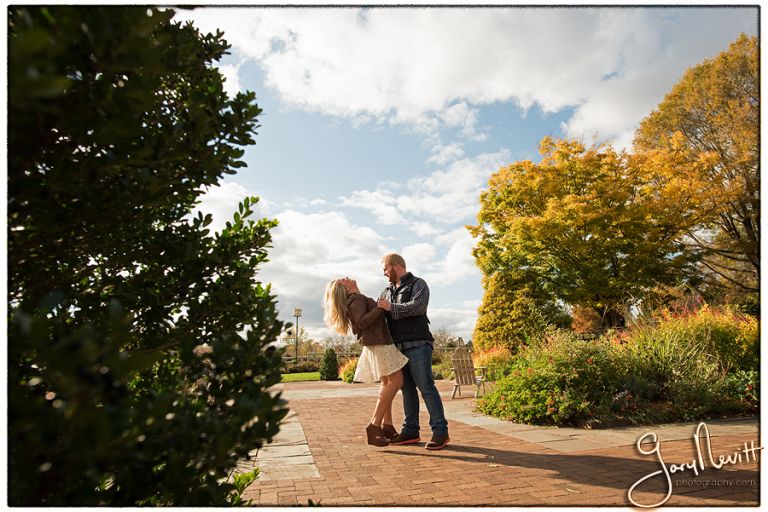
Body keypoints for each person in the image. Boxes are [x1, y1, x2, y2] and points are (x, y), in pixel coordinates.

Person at [323, 277, 408, 447]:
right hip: (379, 343)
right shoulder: (357, 299)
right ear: (345, 289)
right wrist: (379, 308)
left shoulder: (356, 299)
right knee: (397, 380)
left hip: (375, 342)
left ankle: (388, 426)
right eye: (343, 279)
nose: (346, 277)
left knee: (386, 383)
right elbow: (361, 323)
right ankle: (374, 425)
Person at [377, 253, 450, 450]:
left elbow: (418, 307)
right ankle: (410, 430)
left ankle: (440, 432)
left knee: (426, 387)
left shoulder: (419, 284)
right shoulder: (386, 291)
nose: (383, 273)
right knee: (406, 390)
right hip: (397, 347)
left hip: (418, 343)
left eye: (385, 268)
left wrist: (391, 307)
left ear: (396, 265)